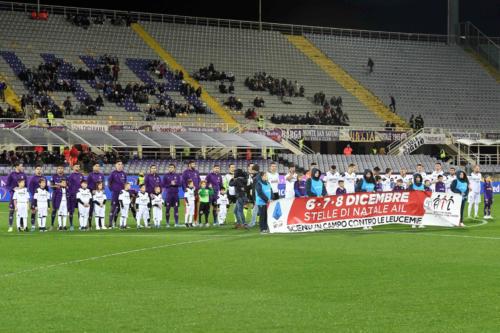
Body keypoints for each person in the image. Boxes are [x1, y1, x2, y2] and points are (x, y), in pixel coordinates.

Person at [6, 161, 27, 233]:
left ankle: (21, 226)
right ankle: (10, 226)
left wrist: (23, 190)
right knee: (12, 210)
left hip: (22, 196)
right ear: (17, 166)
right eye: (21, 166)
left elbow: (26, 185)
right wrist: (13, 189)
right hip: (14, 195)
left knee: (21, 211)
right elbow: (7, 185)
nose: (22, 167)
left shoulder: (23, 174)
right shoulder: (11, 174)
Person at [108, 160, 127, 228]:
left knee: (120, 208)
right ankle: (110, 223)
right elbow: (109, 182)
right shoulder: (113, 173)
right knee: (113, 208)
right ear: (116, 165)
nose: (120, 165)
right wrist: (112, 190)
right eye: (119, 164)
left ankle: (118, 223)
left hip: (122, 194)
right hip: (115, 193)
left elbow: (125, 184)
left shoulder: (124, 174)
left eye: (121, 164)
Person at [28, 164, 46, 231]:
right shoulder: (32, 178)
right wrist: (34, 196)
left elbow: (46, 188)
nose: (39, 170)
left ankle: (42, 226)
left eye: (40, 169)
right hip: (35, 198)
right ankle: (33, 225)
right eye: (37, 169)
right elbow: (30, 188)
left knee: (42, 212)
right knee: (33, 211)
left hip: (42, 199)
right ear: (35, 170)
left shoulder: (44, 178)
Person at [87, 162, 104, 228]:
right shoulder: (90, 175)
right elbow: (87, 184)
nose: (97, 167)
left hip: (99, 194)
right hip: (92, 193)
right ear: (93, 167)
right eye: (96, 166)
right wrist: (91, 190)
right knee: (91, 209)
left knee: (100, 208)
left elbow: (102, 184)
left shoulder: (101, 175)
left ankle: (100, 224)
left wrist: (102, 190)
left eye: (98, 166)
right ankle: (90, 224)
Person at [67, 164, 84, 231]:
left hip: (80, 196)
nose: (78, 167)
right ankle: (71, 225)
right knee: (71, 211)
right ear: (73, 167)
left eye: (78, 166)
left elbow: (83, 185)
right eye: (76, 166)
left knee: (80, 210)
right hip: (72, 196)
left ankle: (81, 224)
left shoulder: (81, 175)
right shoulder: (71, 176)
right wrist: (71, 193)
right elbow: (68, 185)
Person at [50, 164, 66, 230]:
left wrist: (61, 185)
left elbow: (67, 185)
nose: (60, 169)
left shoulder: (65, 177)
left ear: (63, 169)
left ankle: (61, 225)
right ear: (57, 169)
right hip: (55, 195)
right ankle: (52, 225)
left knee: (63, 210)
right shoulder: (54, 176)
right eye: (59, 168)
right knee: (54, 209)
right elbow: (51, 185)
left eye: (61, 168)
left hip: (63, 196)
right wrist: (57, 185)